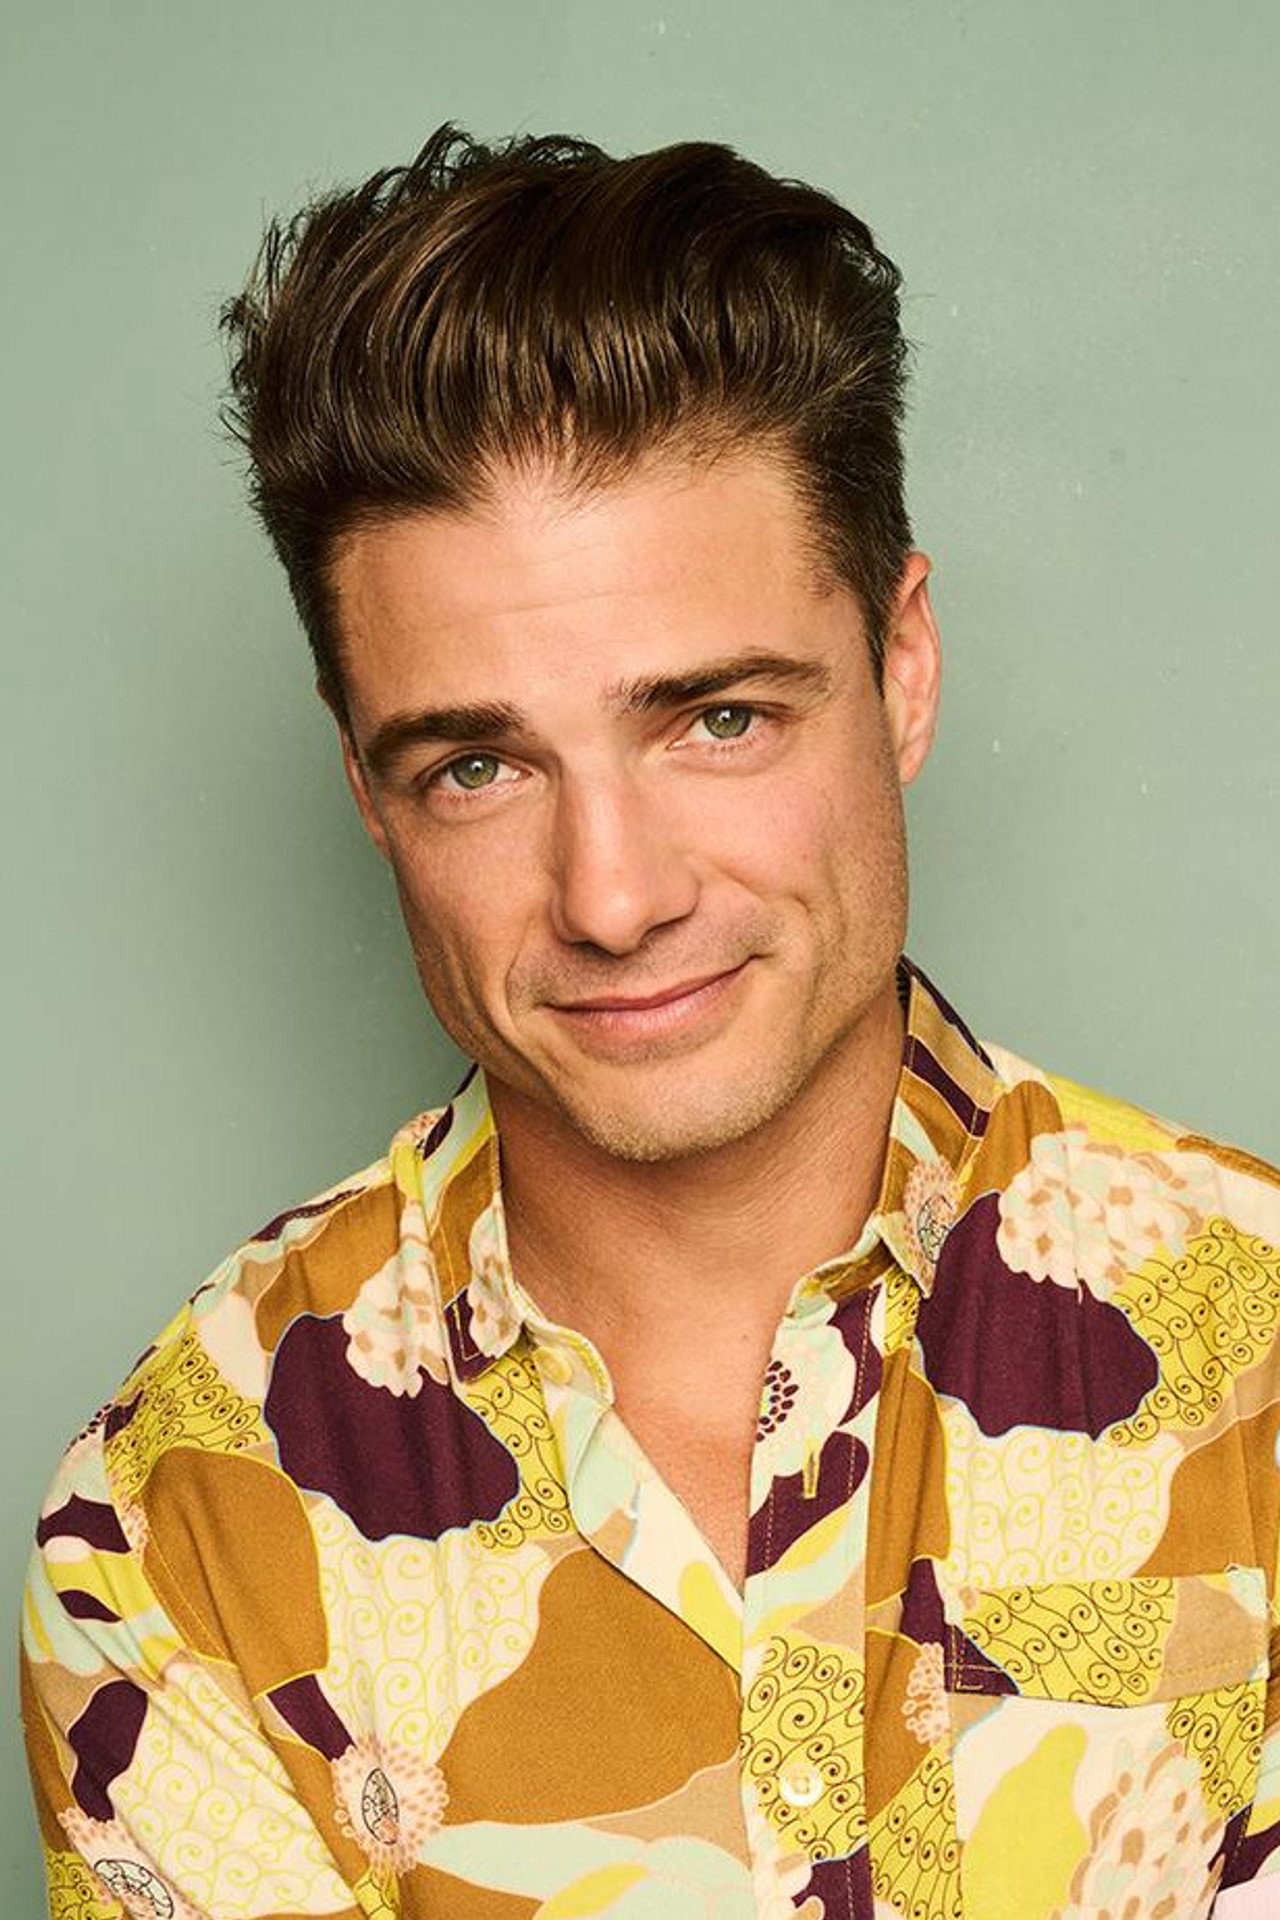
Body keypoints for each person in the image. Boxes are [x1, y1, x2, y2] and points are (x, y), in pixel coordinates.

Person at [20, 123, 1280, 1920]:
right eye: (476, 765)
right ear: (366, 786)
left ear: (902, 667)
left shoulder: (1260, 1369)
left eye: (718, 721)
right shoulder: (182, 1530)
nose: (612, 898)